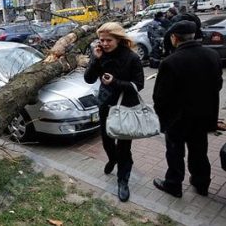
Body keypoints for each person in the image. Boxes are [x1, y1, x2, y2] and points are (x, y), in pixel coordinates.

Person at [153, 21, 223, 198]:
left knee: (175, 153)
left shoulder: (170, 62)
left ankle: (174, 184)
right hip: (204, 116)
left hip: (178, 119)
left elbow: (160, 97)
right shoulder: (213, 55)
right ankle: (202, 184)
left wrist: (163, 116)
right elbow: (218, 84)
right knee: (200, 151)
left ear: (175, 38)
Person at [84, 22, 144, 202]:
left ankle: (123, 180)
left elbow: (138, 85)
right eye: (101, 40)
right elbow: (88, 79)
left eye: (108, 40)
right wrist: (95, 59)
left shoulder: (132, 58)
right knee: (107, 141)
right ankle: (112, 158)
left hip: (126, 107)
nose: (104, 43)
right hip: (105, 106)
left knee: (124, 147)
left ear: (119, 39)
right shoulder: (100, 54)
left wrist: (115, 82)